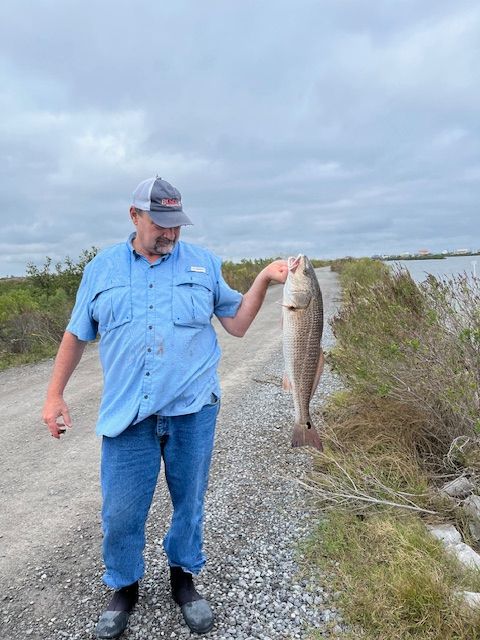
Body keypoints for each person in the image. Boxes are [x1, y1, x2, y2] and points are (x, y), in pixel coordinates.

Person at [42, 176, 288, 638]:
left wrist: (263, 281)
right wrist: (54, 395)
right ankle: (124, 587)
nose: (171, 234)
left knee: (189, 504)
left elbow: (236, 324)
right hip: (127, 416)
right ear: (134, 216)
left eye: (177, 225)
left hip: (192, 411)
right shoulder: (102, 269)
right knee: (120, 510)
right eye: (161, 224)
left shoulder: (203, 264)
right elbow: (76, 334)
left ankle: (184, 581)